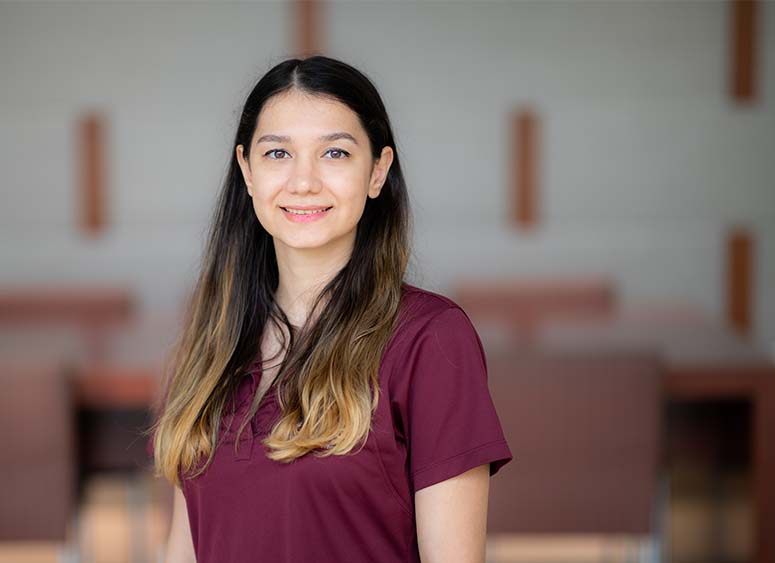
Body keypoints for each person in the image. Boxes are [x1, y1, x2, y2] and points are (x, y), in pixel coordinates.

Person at [147, 55, 512, 563]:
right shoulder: (214, 341)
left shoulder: (429, 339)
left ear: (377, 171)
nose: (303, 181)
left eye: (335, 153)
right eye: (277, 153)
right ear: (247, 171)